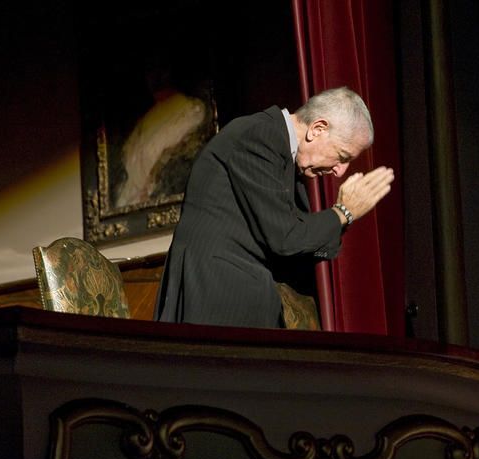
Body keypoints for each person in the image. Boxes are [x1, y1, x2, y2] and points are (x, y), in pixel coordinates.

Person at [154, 86, 394, 328]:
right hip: (219, 297)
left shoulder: (285, 158)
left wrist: (343, 217)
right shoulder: (259, 136)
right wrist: (343, 212)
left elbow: (300, 247)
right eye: (342, 156)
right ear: (317, 129)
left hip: (244, 300)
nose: (340, 171)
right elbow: (286, 238)